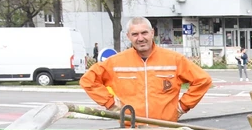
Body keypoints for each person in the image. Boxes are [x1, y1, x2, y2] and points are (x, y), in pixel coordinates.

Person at [80, 17, 211, 121]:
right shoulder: (116, 62)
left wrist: (182, 107)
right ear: (128, 36)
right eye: (135, 34)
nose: (140, 38)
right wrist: (110, 103)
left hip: (166, 129)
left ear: (152, 33)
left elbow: (203, 80)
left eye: (144, 33)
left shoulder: (174, 60)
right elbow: (88, 81)